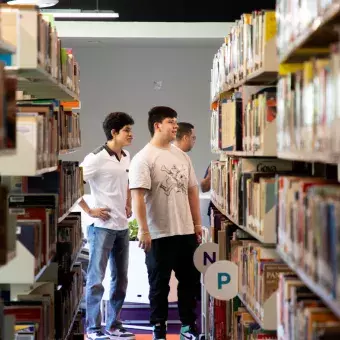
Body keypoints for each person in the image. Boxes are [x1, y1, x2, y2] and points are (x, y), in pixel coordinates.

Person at [129, 106, 202, 340]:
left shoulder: (182, 155)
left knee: (189, 283)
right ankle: (158, 329)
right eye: (171, 121)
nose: (175, 126)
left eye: (176, 122)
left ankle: (187, 327)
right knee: (159, 286)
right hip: (158, 234)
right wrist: (143, 230)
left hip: (185, 232)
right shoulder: (144, 157)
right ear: (157, 125)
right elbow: (137, 196)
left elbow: (192, 191)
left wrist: (197, 225)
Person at [79, 112, 136, 340]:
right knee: (96, 280)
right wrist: (90, 210)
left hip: (122, 227)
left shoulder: (126, 156)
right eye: (127, 130)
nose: (131, 134)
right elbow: (72, 183)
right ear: (114, 132)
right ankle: (93, 329)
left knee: (120, 280)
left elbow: (127, 182)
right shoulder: (95, 158)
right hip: (101, 228)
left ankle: (114, 325)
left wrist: (129, 202)